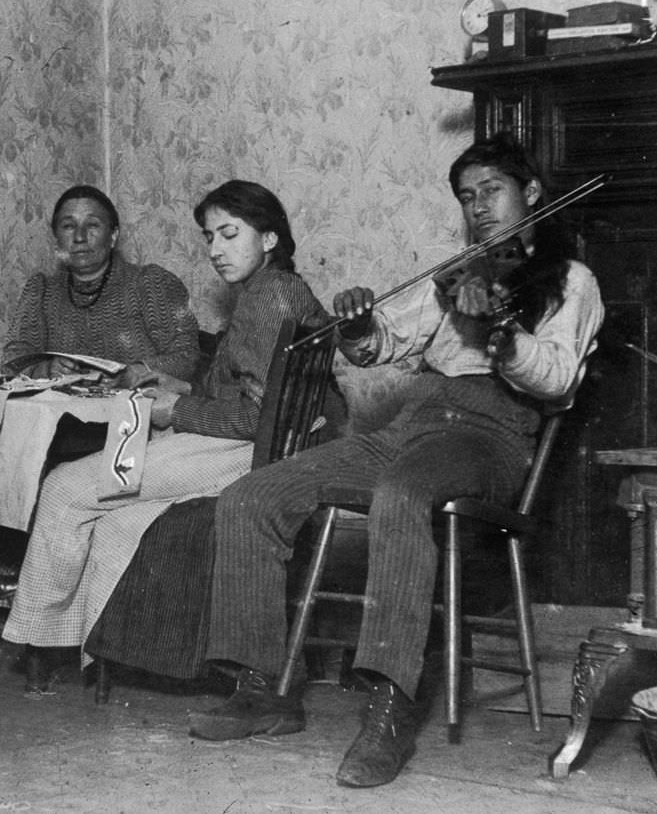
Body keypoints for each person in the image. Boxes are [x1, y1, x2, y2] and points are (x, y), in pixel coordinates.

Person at [191, 135, 605, 789]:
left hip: (489, 437)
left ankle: (389, 713)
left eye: (490, 190)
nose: (478, 207)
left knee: (402, 496)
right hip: (414, 425)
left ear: (529, 194)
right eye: (467, 197)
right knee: (254, 494)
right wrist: (357, 322)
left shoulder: (571, 282)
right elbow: (380, 344)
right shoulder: (459, 271)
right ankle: (258, 688)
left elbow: (554, 377)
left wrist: (501, 334)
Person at [1, 180, 331, 690]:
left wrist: (179, 408)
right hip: (264, 448)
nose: (215, 251)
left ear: (268, 239)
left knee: (66, 486)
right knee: (117, 524)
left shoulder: (271, 298)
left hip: (255, 455)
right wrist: (186, 387)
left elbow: (257, 419)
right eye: (209, 237)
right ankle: (100, 653)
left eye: (229, 234)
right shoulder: (276, 288)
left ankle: (41, 643)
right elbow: (251, 392)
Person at [1, 185, 201, 389]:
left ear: (113, 236)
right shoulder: (41, 291)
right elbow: (12, 363)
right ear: (56, 239)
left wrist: (133, 374)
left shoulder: (150, 283)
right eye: (68, 226)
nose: (80, 237)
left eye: (92, 225)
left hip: (139, 414)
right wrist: (46, 370)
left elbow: (187, 357)